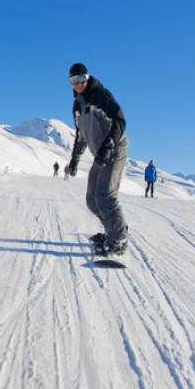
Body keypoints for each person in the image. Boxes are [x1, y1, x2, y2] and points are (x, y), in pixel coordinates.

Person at [66, 62, 129, 256]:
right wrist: (75, 159)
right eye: (73, 81)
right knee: (92, 201)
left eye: (81, 79)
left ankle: (118, 240)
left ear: (88, 77)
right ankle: (112, 232)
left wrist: (109, 144)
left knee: (105, 197)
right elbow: (81, 135)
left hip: (114, 149)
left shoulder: (100, 95)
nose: (78, 84)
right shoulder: (77, 105)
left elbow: (119, 120)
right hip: (99, 154)